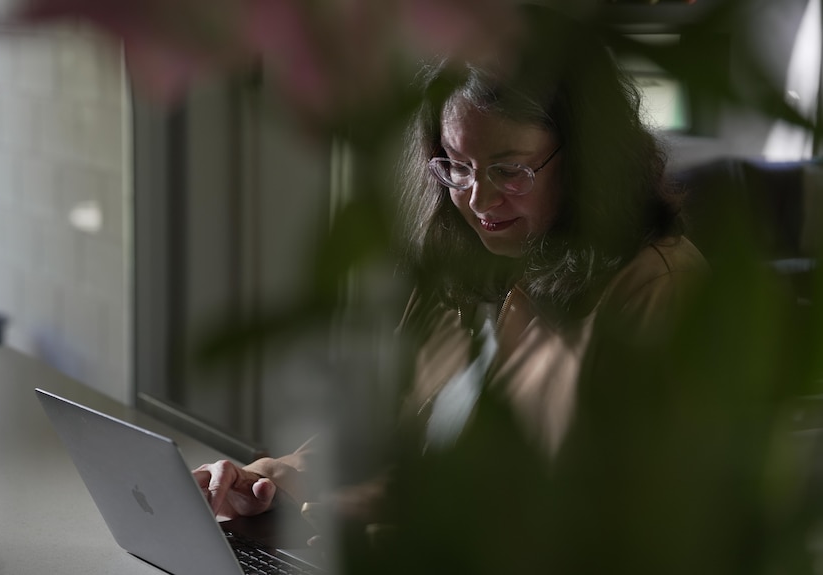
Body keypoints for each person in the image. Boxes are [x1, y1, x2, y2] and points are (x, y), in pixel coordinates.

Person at [193, 2, 709, 532]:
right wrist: (271, 479)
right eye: (457, 167)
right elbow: (386, 435)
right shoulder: (460, 268)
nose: (479, 201)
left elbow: (635, 525)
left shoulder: (660, 292)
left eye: (510, 171)